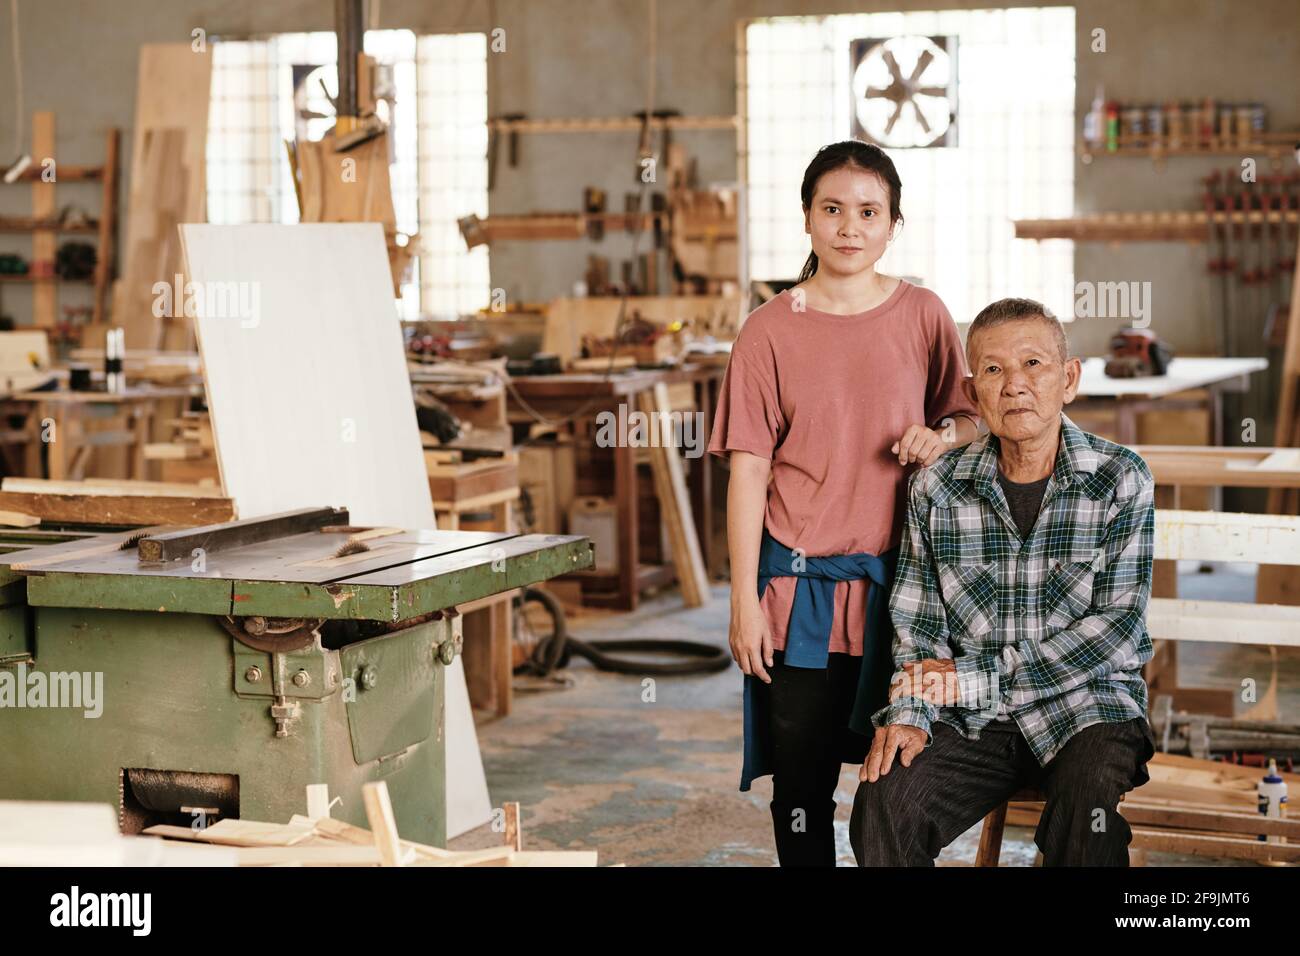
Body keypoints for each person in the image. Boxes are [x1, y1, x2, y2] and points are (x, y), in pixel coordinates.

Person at [708, 140, 980, 866]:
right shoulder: (768, 328)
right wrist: (741, 598)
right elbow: (748, 470)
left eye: (869, 212)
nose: (849, 227)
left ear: (893, 223)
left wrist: (941, 436)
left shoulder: (923, 314)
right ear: (806, 219)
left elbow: (968, 418)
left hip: (905, 592)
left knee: (897, 781)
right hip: (797, 592)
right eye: (832, 209)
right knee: (800, 789)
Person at [852, 297, 1157, 867]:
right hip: (973, 721)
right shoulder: (935, 489)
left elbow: (1114, 631)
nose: (1014, 385)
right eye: (993, 370)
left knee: (1086, 813)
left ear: (1069, 379)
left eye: (1033, 365)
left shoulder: (1120, 478)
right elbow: (920, 628)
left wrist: (974, 678)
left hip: (1087, 707)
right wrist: (911, 714)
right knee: (884, 799)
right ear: (973, 392)